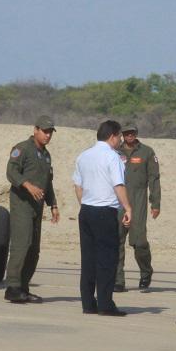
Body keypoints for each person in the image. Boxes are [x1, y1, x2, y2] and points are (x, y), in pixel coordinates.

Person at [72, 119, 132, 316]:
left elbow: (78, 186)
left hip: (87, 210)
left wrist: (86, 203)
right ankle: (105, 304)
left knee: (88, 258)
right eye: (119, 137)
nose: (121, 140)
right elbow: (118, 185)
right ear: (113, 136)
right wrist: (127, 207)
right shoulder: (112, 157)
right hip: (105, 211)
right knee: (107, 258)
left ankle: (88, 303)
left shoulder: (84, 156)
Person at [2, 116, 59, 304]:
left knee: (34, 249)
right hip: (22, 204)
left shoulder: (46, 155)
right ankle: (13, 287)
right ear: (35, 129)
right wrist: (27, 185)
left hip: (38, 206)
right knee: (21, 244)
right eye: (45, 131)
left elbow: (47, 182)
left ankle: (24, 287)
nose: (48, 135)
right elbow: (11, 172)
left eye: (50, 132)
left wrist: (53, 205)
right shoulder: (22, 149)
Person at [113, 124, 161, 292]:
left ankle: (146, 271)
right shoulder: (114, 152)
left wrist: (155, 203)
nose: (130, 135)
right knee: (116, 241)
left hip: (138, 200)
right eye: (126, 133)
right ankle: (118, 280)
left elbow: (154, 179)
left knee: (139, 242)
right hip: (117, 201)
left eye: (132, 132)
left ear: (136, 133)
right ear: (122, 135)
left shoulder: (147, 152)